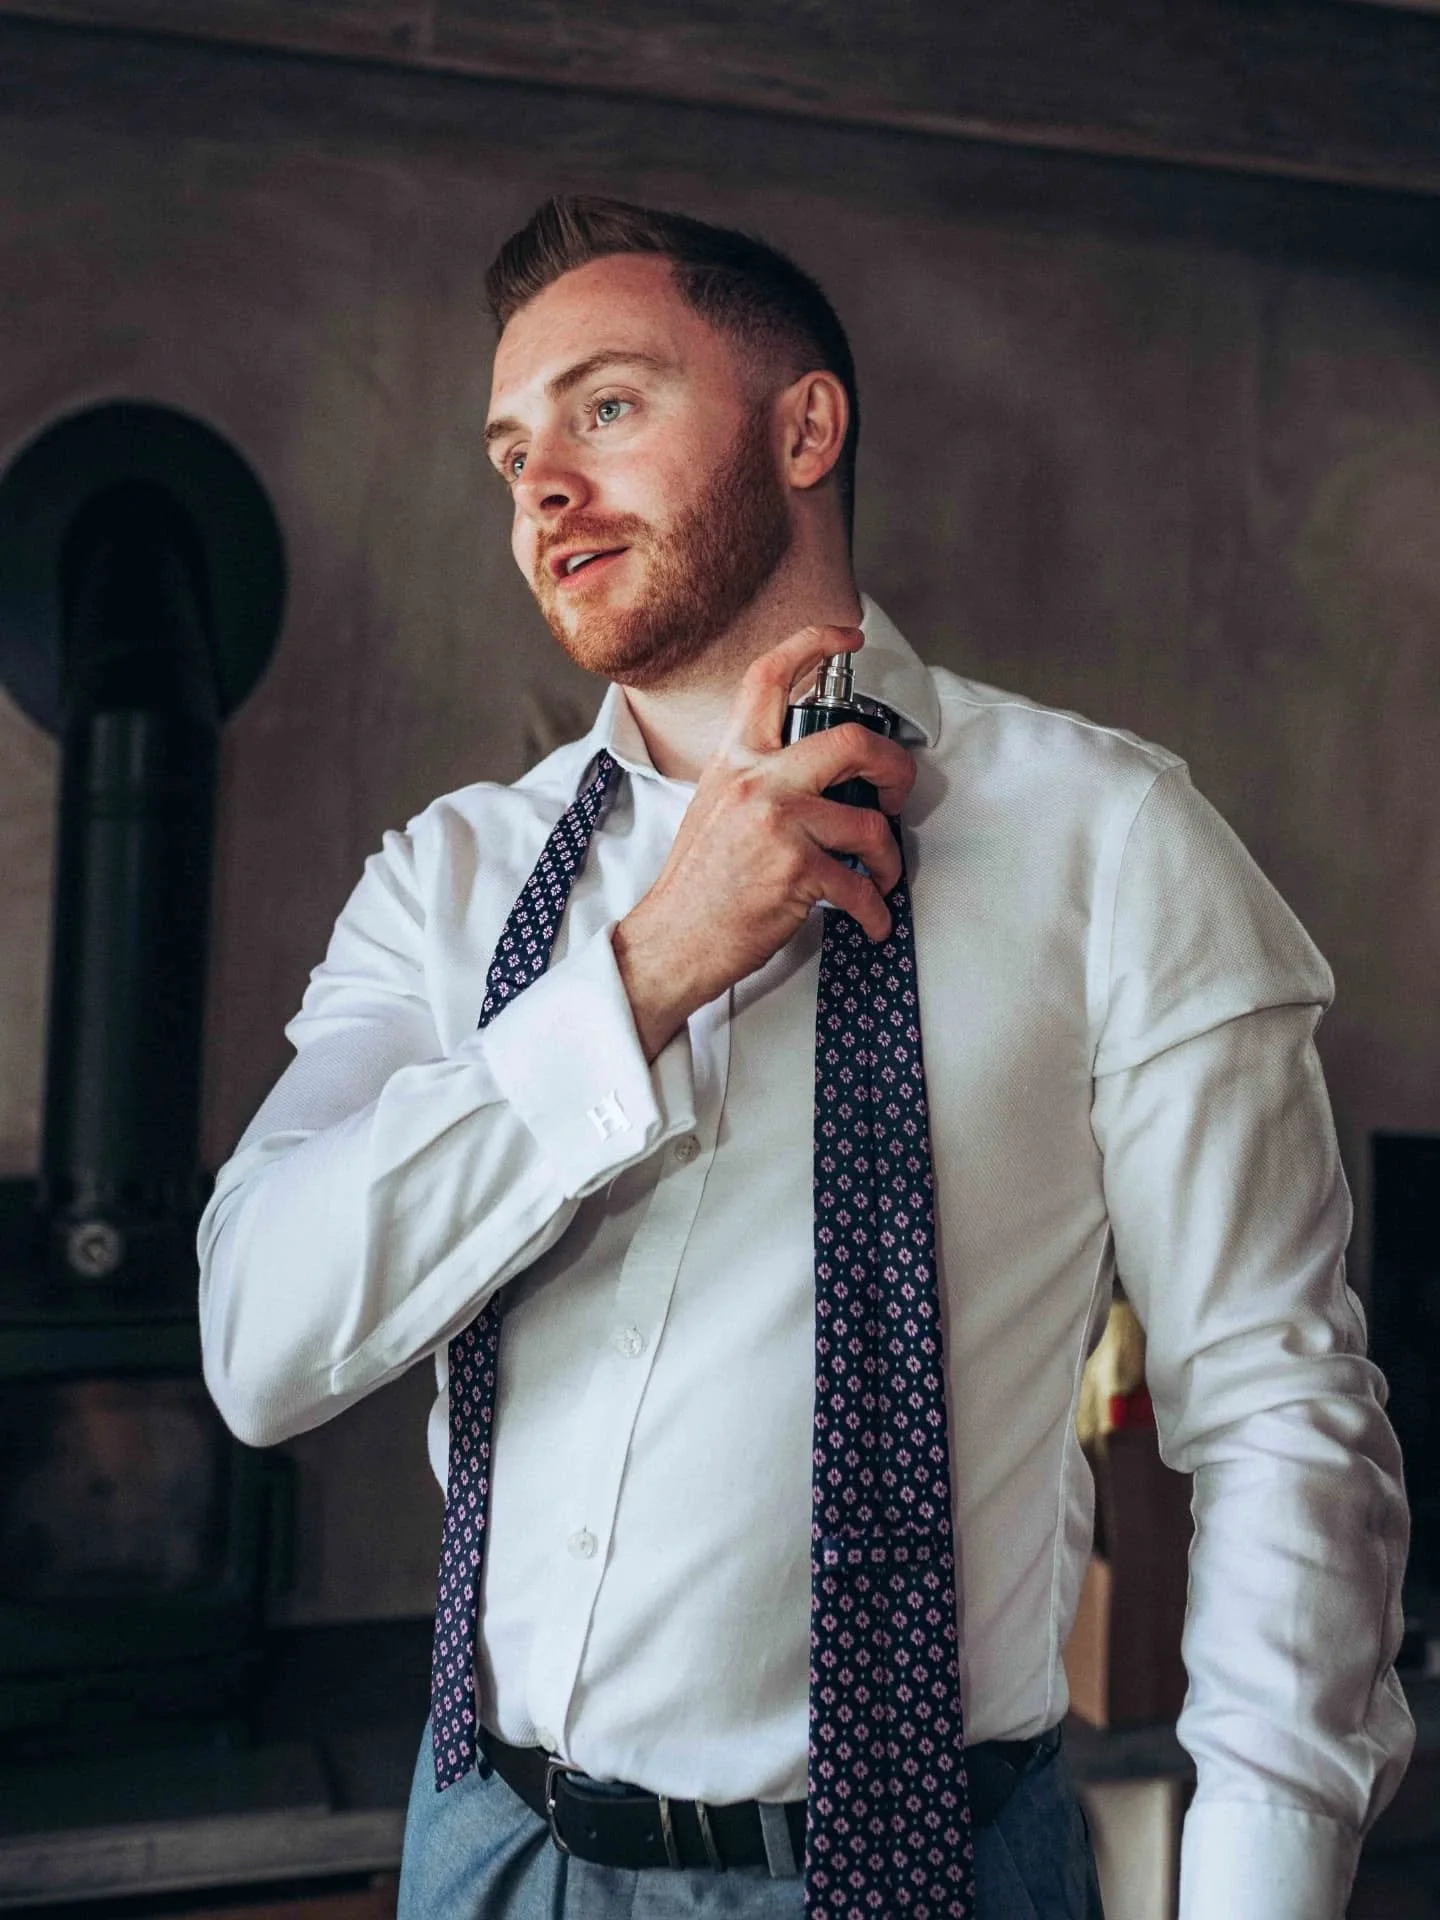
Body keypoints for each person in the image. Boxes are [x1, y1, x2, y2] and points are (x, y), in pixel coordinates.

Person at [198, 196, 1413, 1920]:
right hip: (478, 1843)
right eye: (510, 448)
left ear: (805, 427)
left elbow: (1286, 1425)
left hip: (909, 1870)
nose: (542, 482)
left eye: (606, 407)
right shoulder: (450, 881)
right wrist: (647, 970)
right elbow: (260, 1344)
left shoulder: (1108, 838)